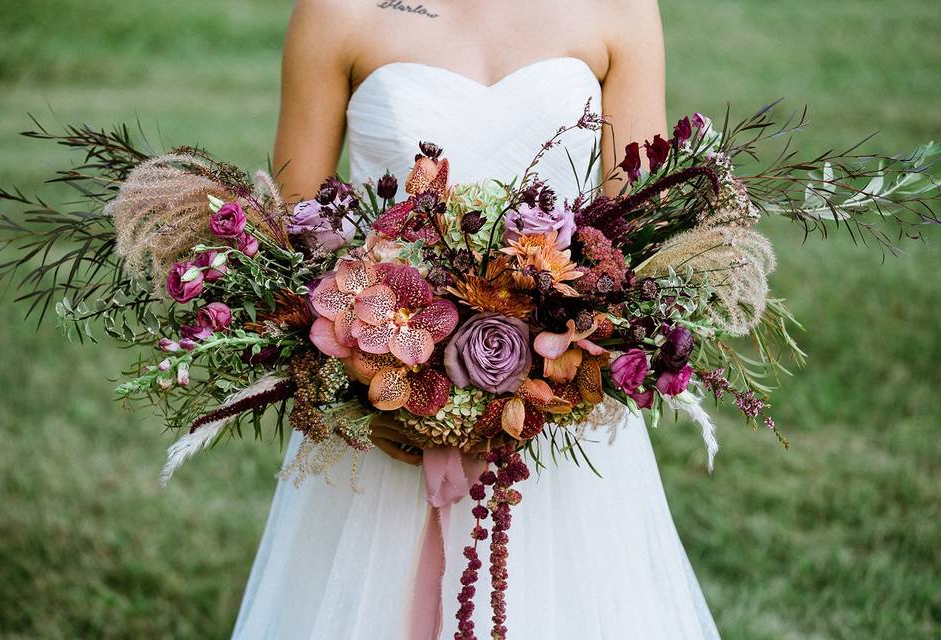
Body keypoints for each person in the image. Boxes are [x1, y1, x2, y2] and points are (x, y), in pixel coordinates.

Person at [234, 1, 720, 637]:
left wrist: (562, 382)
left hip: (555, 428)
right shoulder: (337, 9)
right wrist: (361, 385)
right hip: (377, 406)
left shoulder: (620, 9)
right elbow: (294, 233)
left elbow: (637, 234)